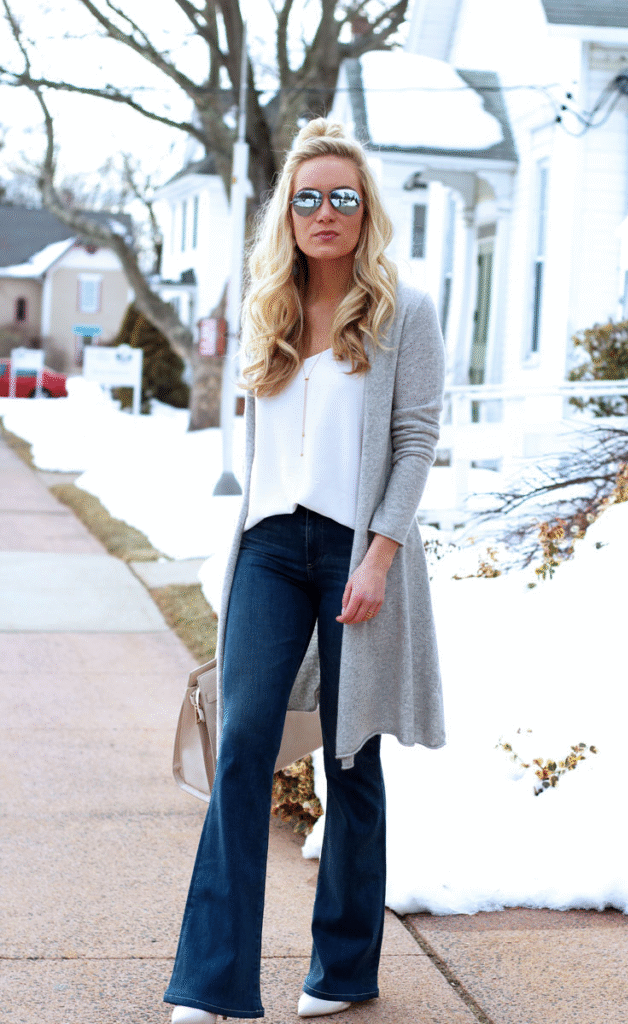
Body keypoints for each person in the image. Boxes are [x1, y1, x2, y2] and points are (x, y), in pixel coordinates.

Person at [164, 118, 446, 1023]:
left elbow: (414, 442)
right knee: (242, 744)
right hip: (271, 551)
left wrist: (379, 554)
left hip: (355, 553)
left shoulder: (407, 310)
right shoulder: (267, 308)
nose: (325, 212)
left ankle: (343, 971)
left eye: (343, 198)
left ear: (366, 214)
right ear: (287, 213)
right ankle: (211, 984)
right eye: (308, 198)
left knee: (349, 754)